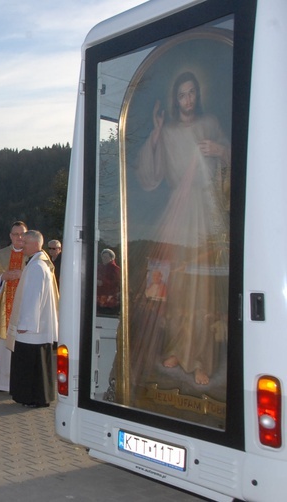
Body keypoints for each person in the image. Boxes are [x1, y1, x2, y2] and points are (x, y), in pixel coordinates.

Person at [134, 71, 231, 386]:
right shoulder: (170, 131)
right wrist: (157, 134)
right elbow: (150, 178)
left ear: (197, 96)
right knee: (174, 283)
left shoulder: (210, 124)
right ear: (175, 99)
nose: (187, 100)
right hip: (178, 213)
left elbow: (236, 159)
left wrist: (218, 150)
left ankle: (201, 358)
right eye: (182, 95)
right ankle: (176, 348)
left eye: (192, 94)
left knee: (202, 287)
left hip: (205, 213)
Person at [8, 230, 59, 408]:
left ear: (37, 244)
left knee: (31, 365)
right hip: (39, 326)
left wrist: (25, 324)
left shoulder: (37, 266)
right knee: (39, 366)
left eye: (26, 243)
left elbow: (33, 297)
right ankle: (39, 396)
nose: (22, 246)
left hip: (32, 328)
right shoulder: (39, 263)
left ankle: (32, 397)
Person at [0, 221, 29, 392]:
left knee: (21, 346)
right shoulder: (1, 255)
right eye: (15, 234)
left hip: (24, 309)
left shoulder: (34, 254)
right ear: (10, 236)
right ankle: (2, 383)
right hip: (4, 308)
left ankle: (20, 383)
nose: (19, 237)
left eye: (22, 234)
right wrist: (3, 276)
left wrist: (23, 274)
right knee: (4, 345)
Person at [97, 248, 121, 314]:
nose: (104, 259)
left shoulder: (115, 269)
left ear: (112, 258)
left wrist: (103, 283)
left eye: (106, 257)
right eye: (103, 257)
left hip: (110, 301)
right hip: (99, 300)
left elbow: (116, 283)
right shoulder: (98, 267)